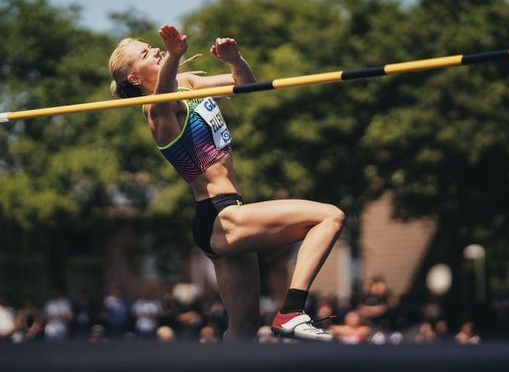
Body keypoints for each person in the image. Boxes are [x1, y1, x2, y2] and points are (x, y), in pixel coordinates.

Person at [108, 25, 344, 341]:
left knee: (243, 330)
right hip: (220, 216)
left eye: (152, 47)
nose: (153, 50)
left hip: (227, 212)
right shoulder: (154, 108)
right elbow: (163, 95)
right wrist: (175, 56)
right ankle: (292, 310)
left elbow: (246, 83)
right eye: (144, 53)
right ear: (134, 78)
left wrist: (235, 60)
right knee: (330, 216)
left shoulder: (186, 83)